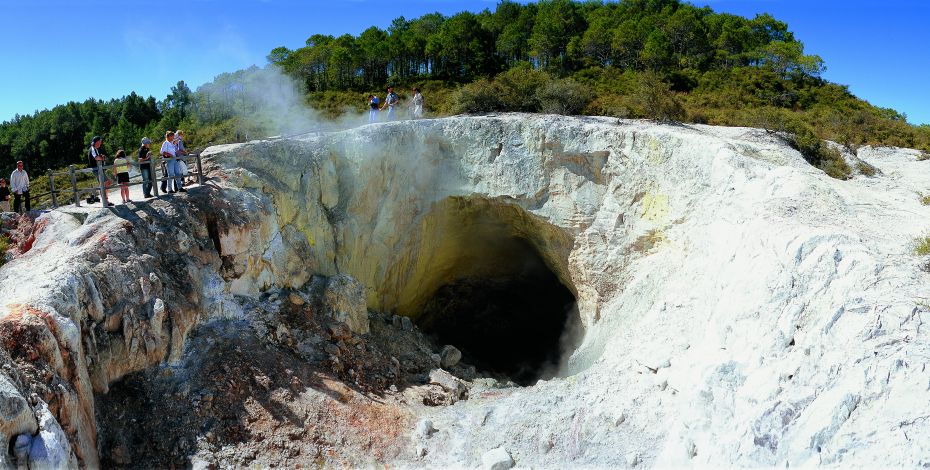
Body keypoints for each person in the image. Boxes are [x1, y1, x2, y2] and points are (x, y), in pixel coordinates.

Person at [87, 136, 113, 206]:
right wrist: (103, 158)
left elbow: (97, 157)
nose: (101, 143)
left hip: (98, 169)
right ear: (97, 142)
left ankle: (105, 200)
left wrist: (101, 157)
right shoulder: (93, 149)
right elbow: (97, 158)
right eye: (100, 141)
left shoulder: (94, 149)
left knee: (105, 183)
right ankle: (105, 201)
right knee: (107, 183)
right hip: (97, 170)